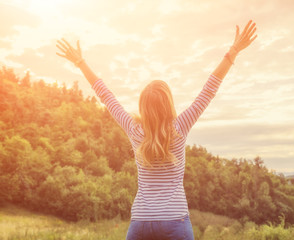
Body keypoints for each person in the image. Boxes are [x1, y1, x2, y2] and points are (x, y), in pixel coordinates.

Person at [56, 20, 257, 240]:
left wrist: (81, 62)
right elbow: (209, 89)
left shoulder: (134, 130)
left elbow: (105, 95)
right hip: (175, 221)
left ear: (143, 107)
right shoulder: (180, 127)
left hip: (142, 222)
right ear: (168, 103)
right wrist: (233, 51)